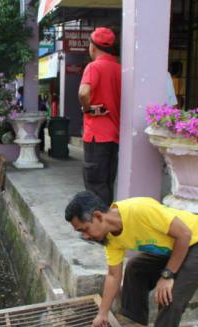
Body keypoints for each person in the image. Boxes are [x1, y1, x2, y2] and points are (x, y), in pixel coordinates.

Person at [65, 191, 198, 327]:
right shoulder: (110, 237)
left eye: (84, 229)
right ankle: (139, 326)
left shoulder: (139, 210)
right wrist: (102, 314)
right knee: (136, 268)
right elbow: (113, 275)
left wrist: (168, 276)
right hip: (172, 248)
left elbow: (184, 234)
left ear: (97, 216)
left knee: (171, 297)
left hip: (194, 241)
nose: (85, 236)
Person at [78, 27, 121, 206]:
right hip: (114, 134)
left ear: (93, 47)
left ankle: (97, 230)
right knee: (107, 182)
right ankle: (105, 226)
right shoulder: (119, 69)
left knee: (94, 183)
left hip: (96, 135)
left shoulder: (93, 67)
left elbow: (83, 92)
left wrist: (87, 108)